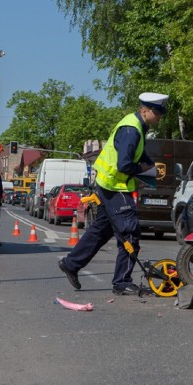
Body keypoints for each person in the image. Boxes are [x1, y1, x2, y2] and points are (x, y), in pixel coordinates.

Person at [58, 92, 167, 295]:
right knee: (130, 233)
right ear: (144, 110)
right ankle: (122, 282)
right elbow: (124, 164)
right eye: (158, 112)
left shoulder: (139, 125)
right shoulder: (131, 130)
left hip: (109, 184)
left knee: (102, 230)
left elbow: (137, 153)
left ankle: (71, 264)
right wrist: (144, 171)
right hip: (116, 187)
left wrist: (150, 165)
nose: (160, 116)